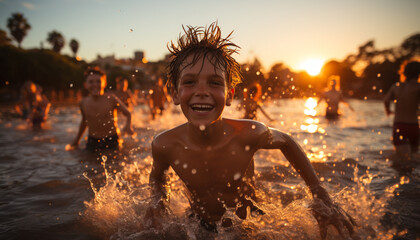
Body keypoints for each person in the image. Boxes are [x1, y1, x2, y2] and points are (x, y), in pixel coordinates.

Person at [145, 23, 356, 239]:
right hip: (198, 223)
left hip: (246, 222)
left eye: (214, 83)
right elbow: (158, 178)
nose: (202, 92)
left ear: (229, 95)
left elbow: (286, 141)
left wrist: (321, 197)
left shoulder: (247, 133)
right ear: (175, 93)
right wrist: (157, 205)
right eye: (190, 82)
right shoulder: (165, 145)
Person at [70, 66, 134, 152]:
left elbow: (128, 113)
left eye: (98, 81)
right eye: (91, 82)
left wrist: (128, 126)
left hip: (112, 139)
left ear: (105, 84)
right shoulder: (83, 102)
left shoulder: (111, 99)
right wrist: (76, 140)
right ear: (86, 85)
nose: (95, 84)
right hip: (92, 140)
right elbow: (84, 121)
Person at [384, 60, 420, 163]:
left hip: (399, 126)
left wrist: (389, 111)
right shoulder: (418, 86)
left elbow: (386, 100)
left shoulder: (396, 86)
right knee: (414, 158)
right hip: (414, 126)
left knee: (401, 160)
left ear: (404, 72)